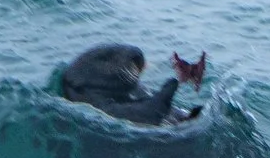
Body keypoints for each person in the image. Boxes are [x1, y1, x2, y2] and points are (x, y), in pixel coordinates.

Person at [58, 44, 207, 125]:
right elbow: (151, 115)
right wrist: (162, 99)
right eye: (106, 60)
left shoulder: (129, 91)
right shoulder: (99, 106)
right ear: (87, 78)